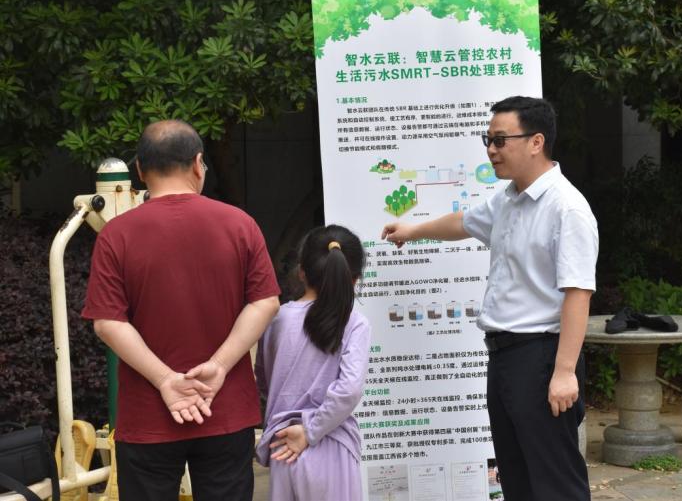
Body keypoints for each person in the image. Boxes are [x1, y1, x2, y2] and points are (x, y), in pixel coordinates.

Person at [382, 96, 598, 500]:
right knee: (516, 475)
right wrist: (413, 231)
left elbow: (578, 293)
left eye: (500, 140)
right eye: (488, 140)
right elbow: (464, 222)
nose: (491, 150)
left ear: (536, 142)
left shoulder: (567, 208)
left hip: (541, 357)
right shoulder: (510, 198)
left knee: (556, 481)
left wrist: (564, 371)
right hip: (504, 357)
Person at [82, 120, 281, 501]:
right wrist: (219, 366)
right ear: (197, 164)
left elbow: (108, 323)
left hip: (147, 416)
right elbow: (265, 302)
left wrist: (165, 381)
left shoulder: (116, 234)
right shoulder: (240, 224)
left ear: (140, 170)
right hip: (224, 408)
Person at [254, 224, 370, 501]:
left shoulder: (277, 319)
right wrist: (311, 429)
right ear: (354, 279)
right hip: (331, 442)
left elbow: (264, 380)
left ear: (302, 271)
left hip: (284, 445)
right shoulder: (354, 323)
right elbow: (349, 389)